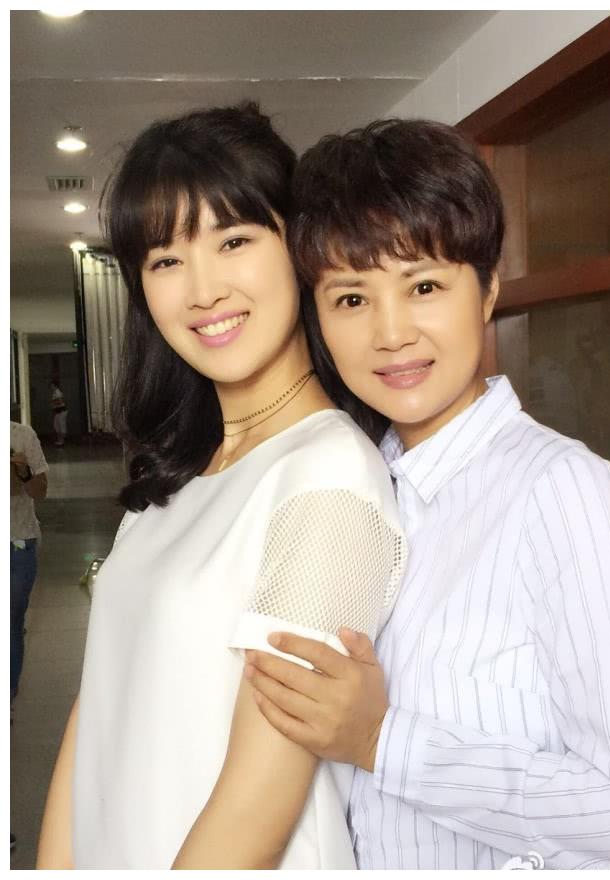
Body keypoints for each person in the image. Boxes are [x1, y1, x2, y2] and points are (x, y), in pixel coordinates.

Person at [243, 118, 610, 870]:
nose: (391, 333)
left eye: (424, 287)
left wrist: (384, 741)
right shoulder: (356, 486)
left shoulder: (560, 492)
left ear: (487, 291)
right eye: (351, 299)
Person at [36, 104, 406, 870]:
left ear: (296, 245)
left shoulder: (328, 474)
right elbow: (98, 706)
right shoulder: (173, 476)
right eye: (165, 260)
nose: (202, 291)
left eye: (234, 241)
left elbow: (255, 807)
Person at [10, 416, 49, 703]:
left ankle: (8, 693)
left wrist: (24, 473)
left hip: (18, 540)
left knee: (11, 619)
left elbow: (40, 492)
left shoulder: (21, 435)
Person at [50, 382, 68, 446]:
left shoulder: (58, 392)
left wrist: (53, 402)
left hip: (61, 412)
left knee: (61, 426)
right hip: (57, 412)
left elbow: (60, 401)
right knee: (56, 426)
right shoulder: (54, 393)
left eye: (52, 386)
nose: (51, 387)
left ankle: (62, 441)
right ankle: (59, 440)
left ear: (55, 386)